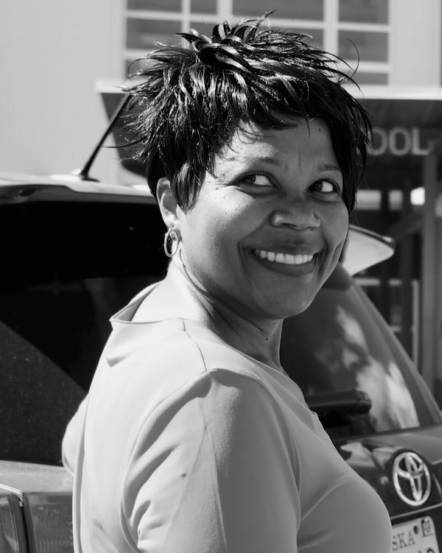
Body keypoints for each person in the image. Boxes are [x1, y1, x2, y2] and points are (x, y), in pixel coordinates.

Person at [61, 17, 391, 553]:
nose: (301, 216)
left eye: (324, 186)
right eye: (256, 180)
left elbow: (76, 447)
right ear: (172, 201)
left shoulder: (144, 330)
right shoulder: (215, 394)